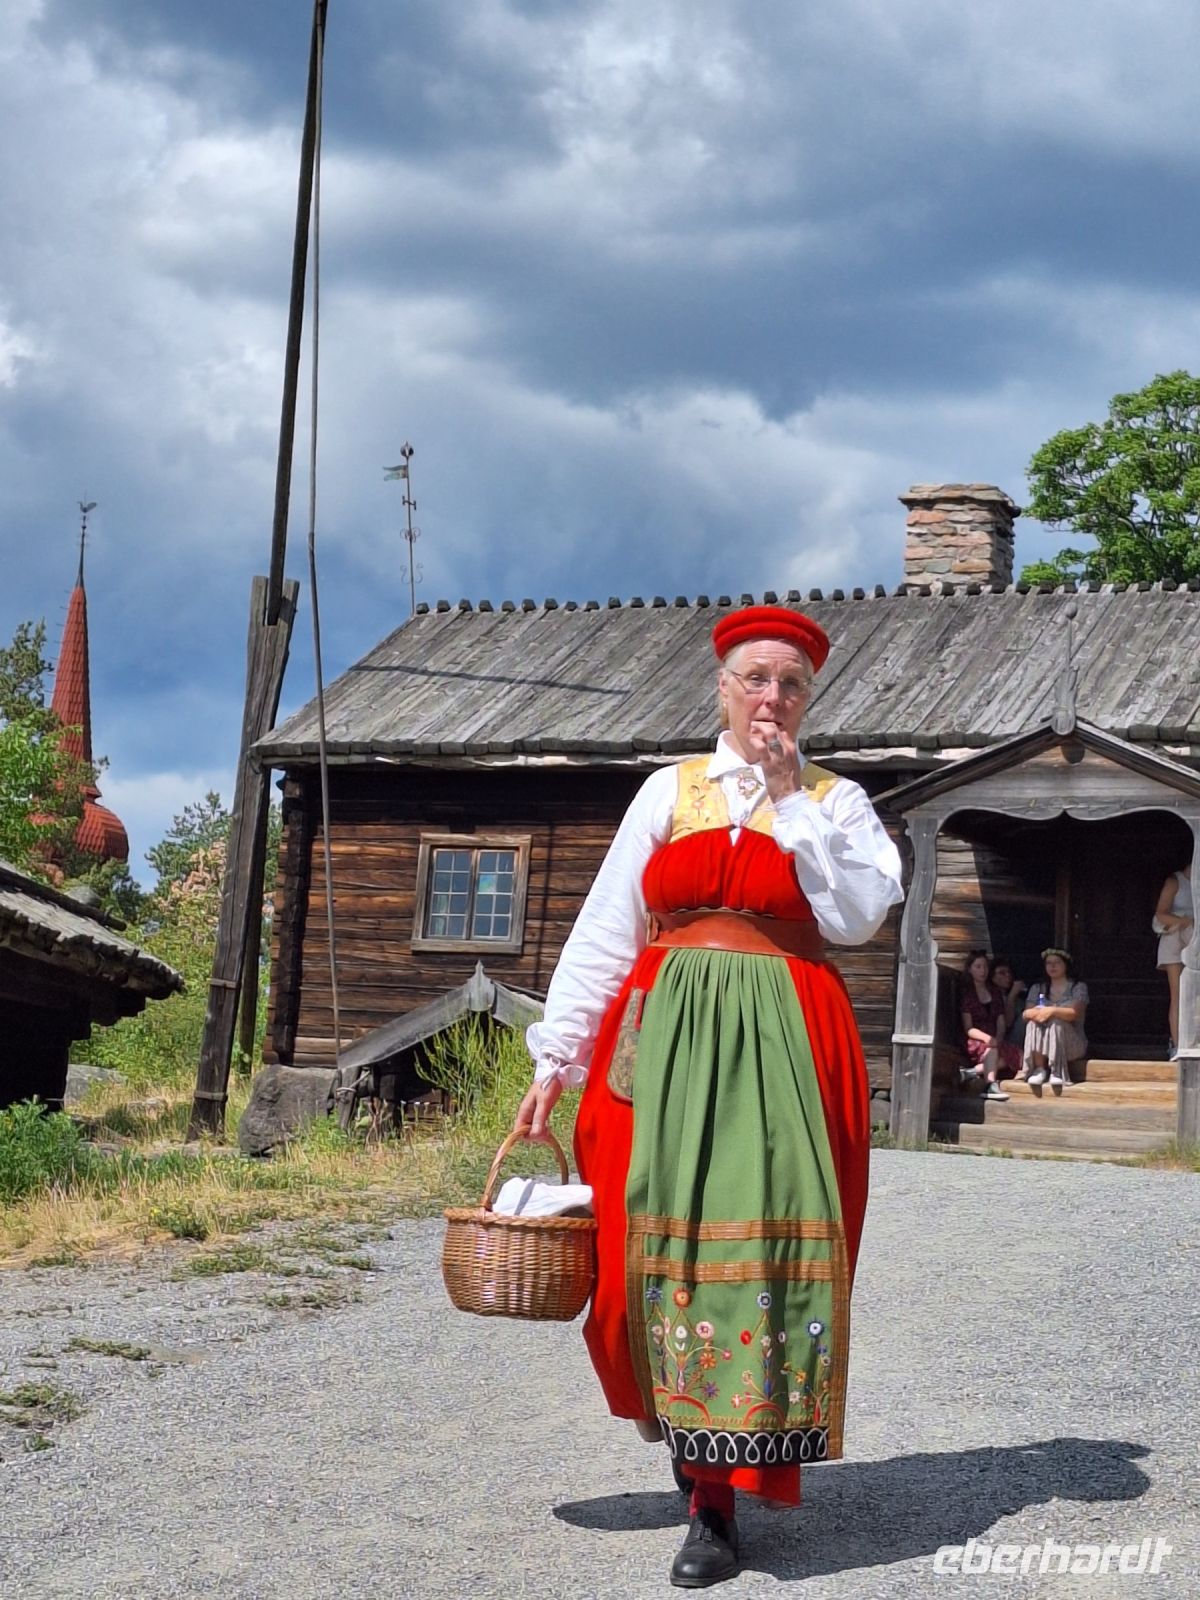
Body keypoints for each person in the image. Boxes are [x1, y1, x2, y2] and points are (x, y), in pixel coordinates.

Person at [515, 604, 903, 1588]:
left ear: (810, 699)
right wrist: (554, 1060)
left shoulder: (836, 801)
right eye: (755, 678)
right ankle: (695, 1461)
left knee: (761, 1253)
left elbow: (859, 914)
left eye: (791, 683)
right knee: (643, 1248)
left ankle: (717, 1502)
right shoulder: (668, 790)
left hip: (784, 1036)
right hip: (664, 1041)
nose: (772, 697)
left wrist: (791, 801)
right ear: (722, 687)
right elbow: (610, 926)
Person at [1019, 949, 1089, 1087]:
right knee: (1033, 1024)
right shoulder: (1038, 988)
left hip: (1071, 1043)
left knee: (1056, 1022)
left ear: (1066, 965)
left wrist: (1052, 1010)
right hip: (1043, 1041)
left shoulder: (1078, 987)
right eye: (1049, 963)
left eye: (1057, 963)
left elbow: (1074, 1013)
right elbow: (1027, 1013)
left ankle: (1057, 1071)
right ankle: (1039, 1069)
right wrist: (1034, 1013)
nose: (1052, 966)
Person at [958, 950, 1020, 1100]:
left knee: (1019, 1056)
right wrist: (987, 1039)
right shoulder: (967, 993)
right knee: (992, 1050)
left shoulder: (994, 992)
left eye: (985, 967)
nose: (983, 971)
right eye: (978, 967)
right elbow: (968, 1027)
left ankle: (971, 1072)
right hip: (976, 1038)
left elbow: (1000, 1020)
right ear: (970, 969)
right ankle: (990, 1084)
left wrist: (998, 1037)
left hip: (994, 1037)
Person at [1153, 861, 1193, 1061]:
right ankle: (1177, 1045)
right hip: (1174, 940)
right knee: (1177, 994)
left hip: (1194, 941)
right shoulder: (1175, 881)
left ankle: (1193, 1042)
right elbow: (1161, 914)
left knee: (1195, 995)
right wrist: (1185, 921)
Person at [990, 957, 1027, 1052]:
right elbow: (1007, 1023)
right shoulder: (990, 996)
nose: (1007, 976)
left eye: (1009, 973)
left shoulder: (1018, 999)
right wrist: (1012, 996)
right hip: (1001, 1041)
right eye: (1002, 973)